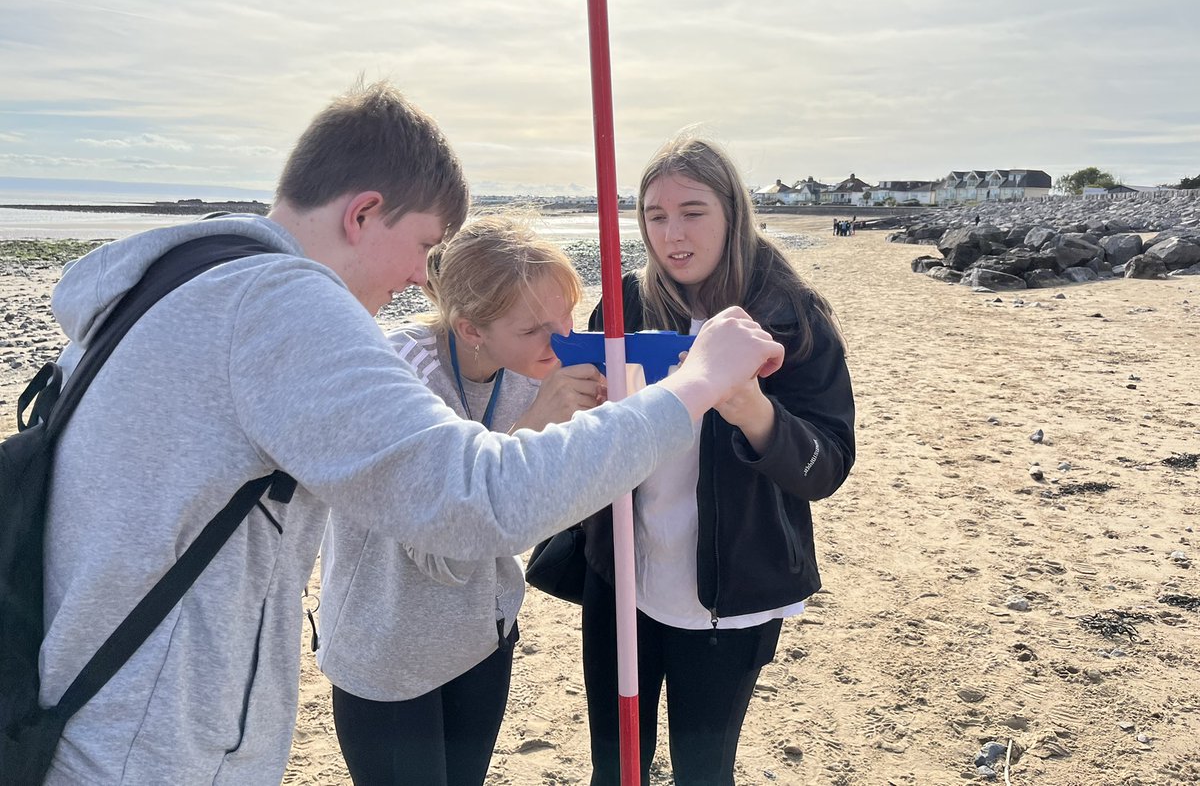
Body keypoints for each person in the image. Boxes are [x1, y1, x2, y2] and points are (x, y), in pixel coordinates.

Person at [37, 82, 784, 785]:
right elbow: (474, 499)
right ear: (363, 213)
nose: (425, 278)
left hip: (92, 719)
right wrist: (696, 385)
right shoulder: (279, 303)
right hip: (152, 748)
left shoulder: (180, 282)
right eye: (427, 246)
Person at [581, 134, 855, 785]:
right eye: (655, 215)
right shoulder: (625, 306)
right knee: (614, 769)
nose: (672, 234)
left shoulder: (791, 319)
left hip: (729, 597)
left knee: (703, 772)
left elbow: (827, 466)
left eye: (692, 212)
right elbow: (587, 439)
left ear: (731, 212)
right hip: (620, 576)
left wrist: (754, 412)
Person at [318, 214, 603, 786]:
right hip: (388, 648)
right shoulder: (400, 378)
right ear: (471, 328)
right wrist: (532, 433)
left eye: (565, 316)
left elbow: (555, 507)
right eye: (534, 328)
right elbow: (443, 548)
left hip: (483, 634)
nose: (563, 340)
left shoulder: (532, 364)